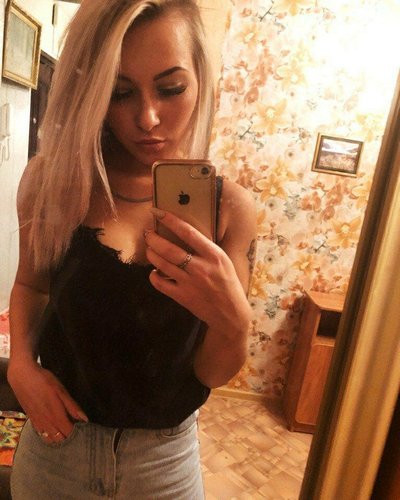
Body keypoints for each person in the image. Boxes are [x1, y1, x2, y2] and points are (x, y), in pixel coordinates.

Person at [8, 0, 257, 498]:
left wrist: (235, 322)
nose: (148, 118)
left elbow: (211, 372)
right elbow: (31, 285)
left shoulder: (230, 209)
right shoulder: (53, 183)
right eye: (120, 93)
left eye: (171, 88)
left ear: (200, 81)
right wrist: (20, 366)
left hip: (163, 466)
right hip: (57, 450)